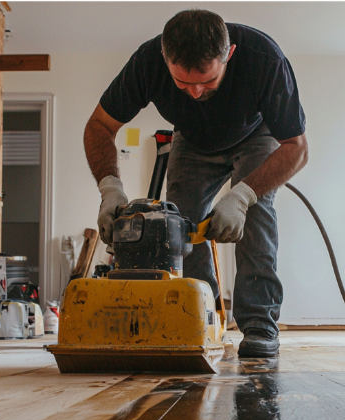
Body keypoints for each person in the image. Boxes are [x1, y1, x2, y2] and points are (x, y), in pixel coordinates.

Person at [84, 9, 308, 358]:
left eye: (207, 80)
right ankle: (203, 317)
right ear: (164, 57)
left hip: (256, 136)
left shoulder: (264, 59)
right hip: (191, 141)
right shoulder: (147, 61)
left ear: (228, 54)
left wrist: (243, 195)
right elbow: (99, 126)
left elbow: (296, 148)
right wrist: (110, 188)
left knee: (256, 214)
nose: (195, 92)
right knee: (180, 224)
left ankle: (260, 325)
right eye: (182, 83)